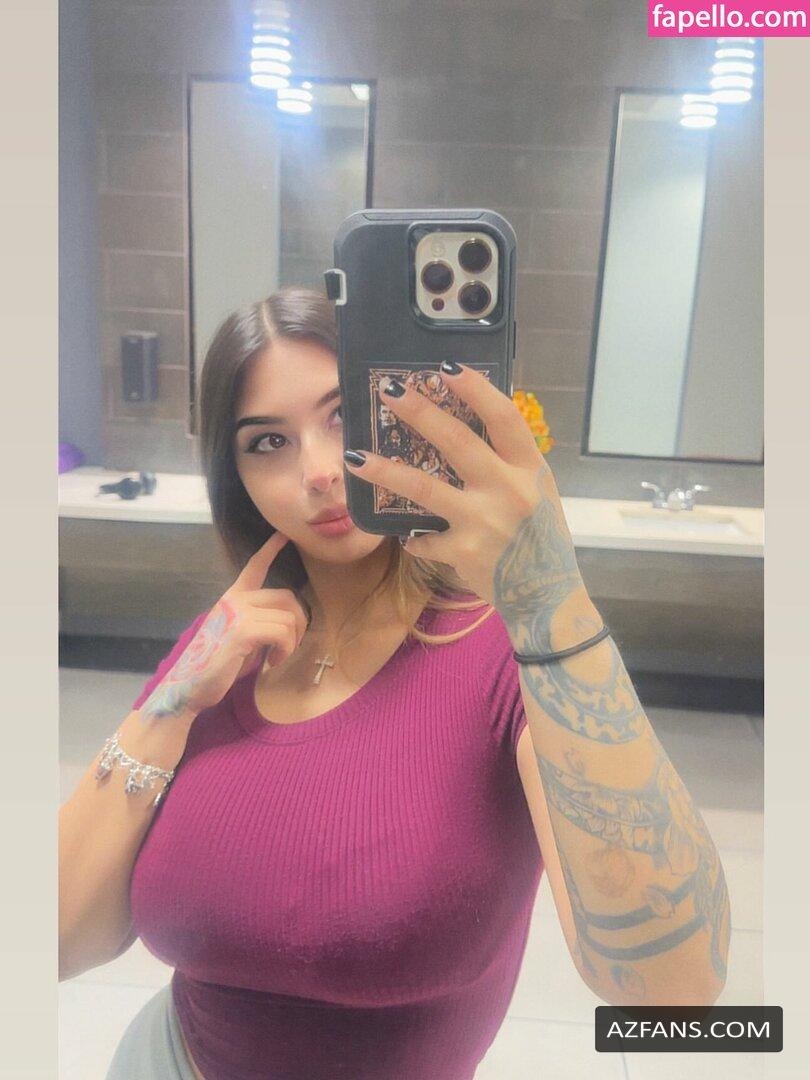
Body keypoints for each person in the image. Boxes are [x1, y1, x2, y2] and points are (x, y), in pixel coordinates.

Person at [59, 287, 729, 1080]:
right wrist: (170, 707)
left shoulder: (509, 654)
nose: (317, 473)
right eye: (267, 441)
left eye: (346, 415)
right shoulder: (225, 648)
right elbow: (58, 940)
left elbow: (677, 995)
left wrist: (550, 601)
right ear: (234, 475)